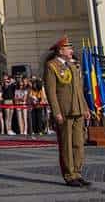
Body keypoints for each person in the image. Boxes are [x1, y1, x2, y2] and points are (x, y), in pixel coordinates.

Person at [44, 36, 93, 187]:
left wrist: (84, 107)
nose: (72, 51)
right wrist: (56, 111)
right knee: (66, 144)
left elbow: (79, 89)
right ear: (60, 50)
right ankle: (69, 175)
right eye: (69, 48)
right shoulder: (51, 66)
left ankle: (78, 173)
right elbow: (50, 91)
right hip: (64, 110)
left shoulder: (73, 66)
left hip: (77, 108)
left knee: (78, 143)